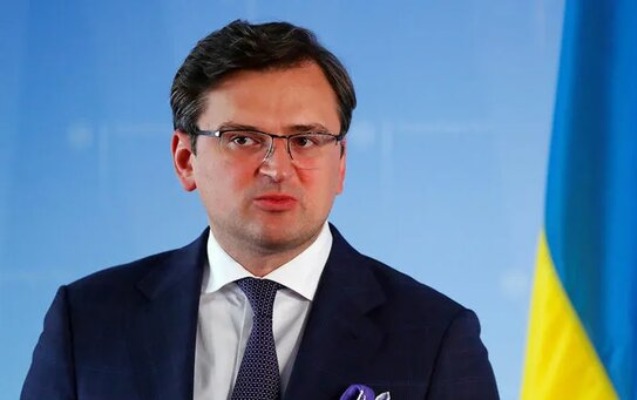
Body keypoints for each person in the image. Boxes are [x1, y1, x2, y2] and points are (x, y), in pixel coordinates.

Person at [21, 20, 499, 399]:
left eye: (305, 140)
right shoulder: (86, 320)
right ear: (185, 159)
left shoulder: (436, 337)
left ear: (341, 165)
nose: (276, 168)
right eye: (242, 139)